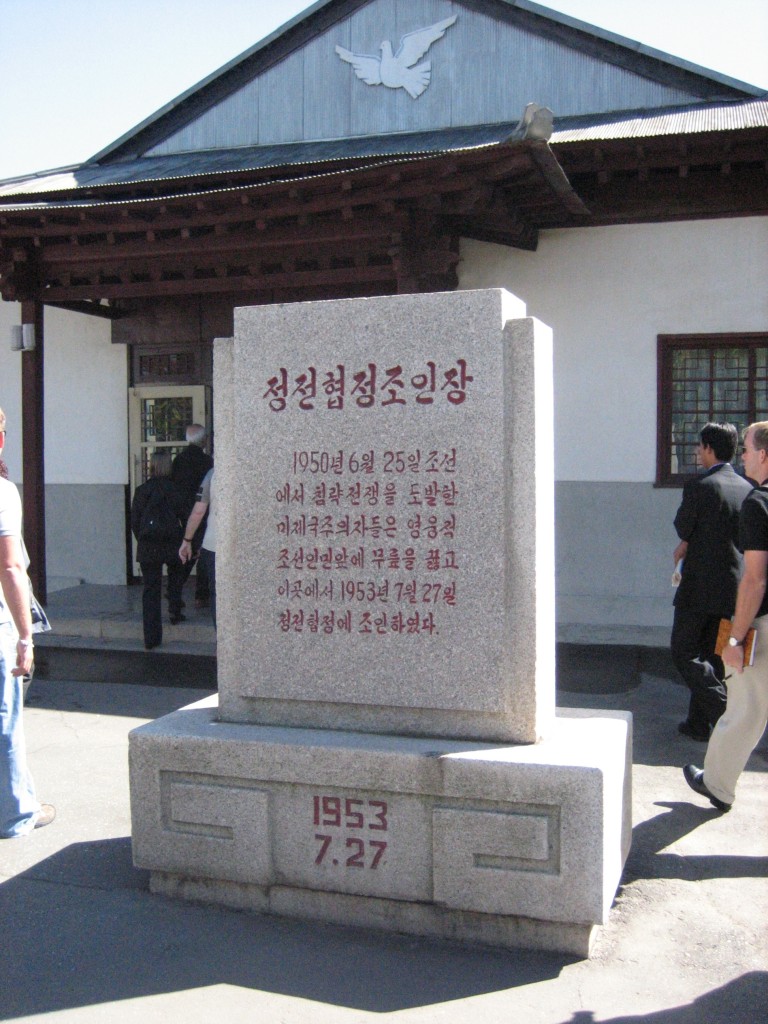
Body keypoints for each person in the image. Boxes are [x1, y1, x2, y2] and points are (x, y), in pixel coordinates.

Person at [684, 421, 768, 812]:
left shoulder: (759, 502)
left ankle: (716, 783)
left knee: (743, 709)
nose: (744, 457)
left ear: (763, 454)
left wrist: (735, 639)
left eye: (749, 450)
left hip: (759, 623)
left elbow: (754, 579)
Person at [671, 422, 752, 741]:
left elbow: (682, 527)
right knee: (713, 656)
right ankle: (698, 723)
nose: (696, 453)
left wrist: (687, 542)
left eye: (698, 447)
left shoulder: (699, 486)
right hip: (731, 587)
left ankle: (722, 709)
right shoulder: (747, 488)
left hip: (697, 588)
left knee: (683, 652)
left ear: (708, 448)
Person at [0, 406, 55, 837]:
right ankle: (17, 812)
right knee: (5, 718)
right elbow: (12, 568)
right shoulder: (2, 492)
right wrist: (24, 635)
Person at [131, 450, 190, 650]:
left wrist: (144, 538)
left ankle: (151, 637)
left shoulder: (141, 490)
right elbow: (186, 516)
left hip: (149, 544)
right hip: (172, 541)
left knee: (150, 590)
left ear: (151, 466)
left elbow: (135, 522)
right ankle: (174, 610)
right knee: (175, 579)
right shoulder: (176, 490)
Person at [171, 424, 213, 608]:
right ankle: (201, 595)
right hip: (202, 514)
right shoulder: (207, 462)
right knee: (202, 554)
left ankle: (175, 591)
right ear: (204, 440)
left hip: (182, 513)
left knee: (185, 554)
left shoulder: (178, 460)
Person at [179, 468, 216, 628]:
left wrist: (187, 540)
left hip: (214, 544)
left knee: (217, 594)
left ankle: (222, 642)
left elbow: (198, 511)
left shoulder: (213, 474)